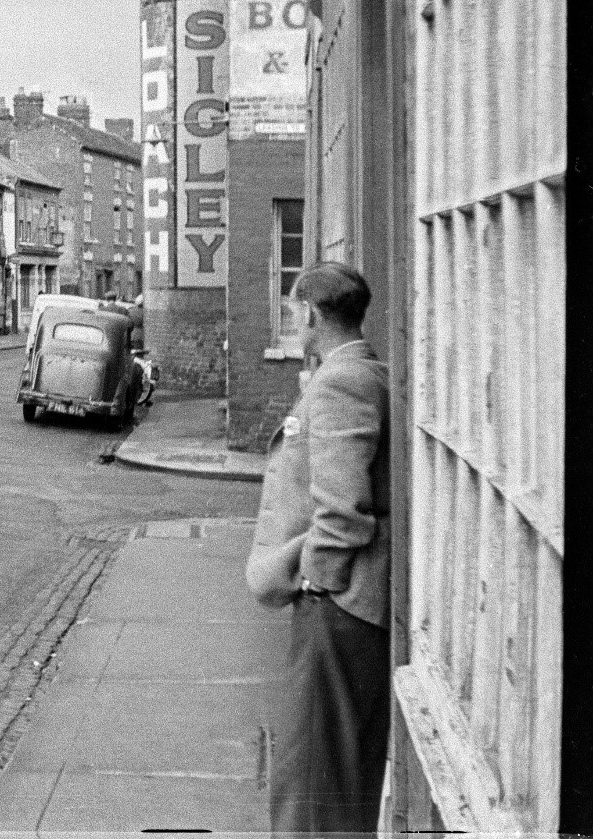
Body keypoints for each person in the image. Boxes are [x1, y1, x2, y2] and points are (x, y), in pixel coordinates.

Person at [245, 262, 391, 834]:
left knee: (312, 785)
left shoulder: (341, 382)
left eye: (294, 312)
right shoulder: (364, 372)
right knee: (334, 777)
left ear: (309, 313)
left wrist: (315, 580)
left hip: (338, 608)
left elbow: (343, 511)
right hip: (352, 605)